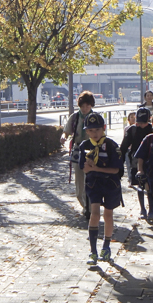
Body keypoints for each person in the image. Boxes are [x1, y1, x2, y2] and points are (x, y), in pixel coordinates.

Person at [79, 113, 123, 265]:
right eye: (90, 130)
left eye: (97, 129)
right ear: (86, 132)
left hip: (111, 184)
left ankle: (106, 246)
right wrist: (90, 169)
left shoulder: (111, 145)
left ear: (104, 128)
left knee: (108, 215)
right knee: (95, 214)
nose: (94, 133)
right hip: (94, 184)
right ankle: (92, 251)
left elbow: (116, 170)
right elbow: (83, 168)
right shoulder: (84, 146)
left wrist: (95, 168)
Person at [61, 91, 95, 219]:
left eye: (88, 105)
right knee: (79, 183)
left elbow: (102, 134)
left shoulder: (95, 118)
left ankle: (90, 209)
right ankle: (85, 205)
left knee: (91, 179)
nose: (85, 108)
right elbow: (66, 131)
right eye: (83, 105)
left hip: (92, 151)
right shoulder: (74, 117)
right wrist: (63, 137)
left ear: (91, 105)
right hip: (77, 150)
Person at [120, 107, 153, 221]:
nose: (141, 124)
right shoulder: (132, 130)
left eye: (143, 122)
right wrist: (120, 163)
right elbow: (124, 147)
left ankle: (151, 210)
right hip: (136, 160)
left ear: (148, 120)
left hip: (151, 161)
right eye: (138, 122)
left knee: (150, 186)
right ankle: (142, 209)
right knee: (140, 184)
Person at [123, 112, 136, 186]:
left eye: (134, 117)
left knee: (134, 164)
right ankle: (130, 178)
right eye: (131, 117)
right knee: (128, 164)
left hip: (134, 149)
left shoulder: (138, 128)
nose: (133, 119)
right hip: (128, 149)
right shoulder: (127, 128)